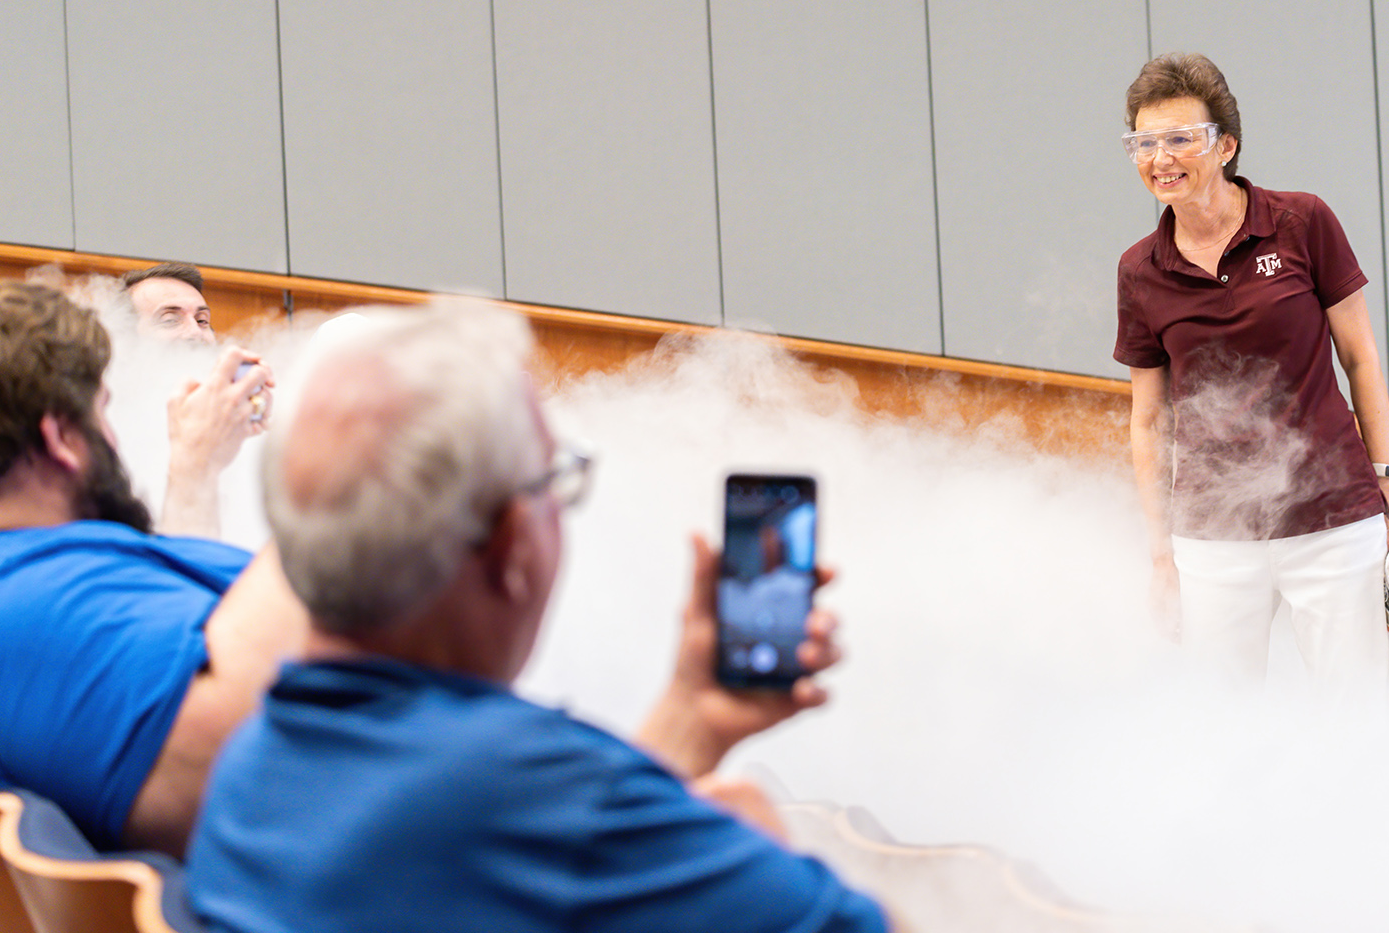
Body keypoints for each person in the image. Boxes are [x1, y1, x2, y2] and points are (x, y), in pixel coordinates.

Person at [186, 300, 893, 933]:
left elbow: (529, 869)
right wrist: (764, 866)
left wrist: (691, 718)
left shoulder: (250, 765)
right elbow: (559, 828)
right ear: (512, 546)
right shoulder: (536, 794)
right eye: (555, 479)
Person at [1113, 53, 1389, 692]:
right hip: (1212, 531)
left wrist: (1386, 481)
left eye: (1178, 139)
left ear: (1225, 146)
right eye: (1143, 142)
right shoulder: (1140, 270)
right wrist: (1160, 549)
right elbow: (1149, 418)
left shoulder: (1301, 222)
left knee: (1354, 710)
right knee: (1223, 725)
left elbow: (1360, 358)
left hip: (1332, 515)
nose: (1160, 158)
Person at [0, 280, 308, 855]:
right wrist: (348, 481)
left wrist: (195, 470)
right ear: (61, 437)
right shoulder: (48, 600)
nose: (113, 436)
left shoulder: (39, 571)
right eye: (102, 412)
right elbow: (286, 773)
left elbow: (191, 641)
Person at [120, 262, 274, 536]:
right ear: (125, 340)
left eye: (202, 321)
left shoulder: (238, 422)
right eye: (170, 320)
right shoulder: (110, 431)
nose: (195, 333)